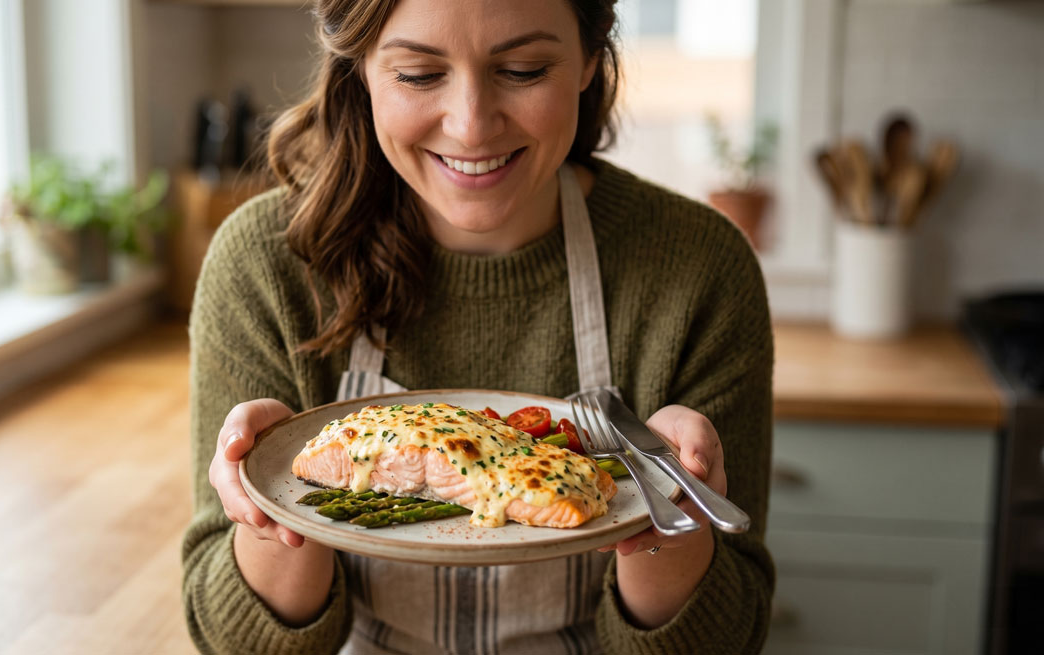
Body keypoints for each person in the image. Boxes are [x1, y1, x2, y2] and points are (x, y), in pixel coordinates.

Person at [183, 0, 775, 653]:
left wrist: (671, 529)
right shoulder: (264, 263)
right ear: (360, 68)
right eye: (417, 74)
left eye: (522, 69)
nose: (470, 126)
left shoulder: (700, 269)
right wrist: (274, 510)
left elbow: (729, 637)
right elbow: (232, 642)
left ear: (589, 51)